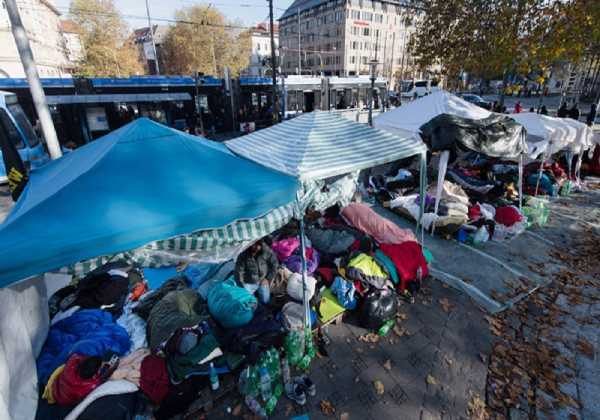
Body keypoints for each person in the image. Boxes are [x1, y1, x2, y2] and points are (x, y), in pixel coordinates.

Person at [234, 240, 279, 304]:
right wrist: (242, 286)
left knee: (266, 301)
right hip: (249, 281)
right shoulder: (243, 255)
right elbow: (239, 272)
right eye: (254, 245)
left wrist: (268, 279)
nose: (257, 247)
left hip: (263, 279)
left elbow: (275, 264)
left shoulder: (265, 250)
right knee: (247, 301)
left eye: (259, 245)